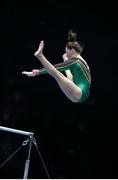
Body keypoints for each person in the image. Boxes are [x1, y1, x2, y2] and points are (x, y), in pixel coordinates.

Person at [22, 30, 91, 103]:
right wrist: (65, 60)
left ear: (72, 51)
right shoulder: (82, 61)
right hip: (81, 94)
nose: (65, 54)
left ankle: (40, 56)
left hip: (78, 93)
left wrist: (38, 71)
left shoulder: (75, 61)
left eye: (66, 51)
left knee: (58, 74)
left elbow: (55, 68)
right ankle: (41, 58)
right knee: (64, 75)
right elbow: (72, 78)